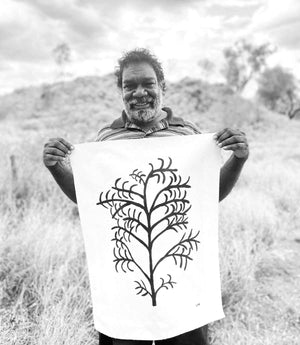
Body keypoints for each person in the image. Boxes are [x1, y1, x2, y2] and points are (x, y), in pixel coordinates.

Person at [43, 48, 249, 345]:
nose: (139, 92)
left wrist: (238, 159)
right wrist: (55, 168)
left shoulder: (187, 136)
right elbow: (92, 202)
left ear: (161, 87)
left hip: (181, 273)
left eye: (148, 84)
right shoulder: (107, 140)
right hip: (127, 278)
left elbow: (208, 195)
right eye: (129, 85)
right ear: (121, 91)